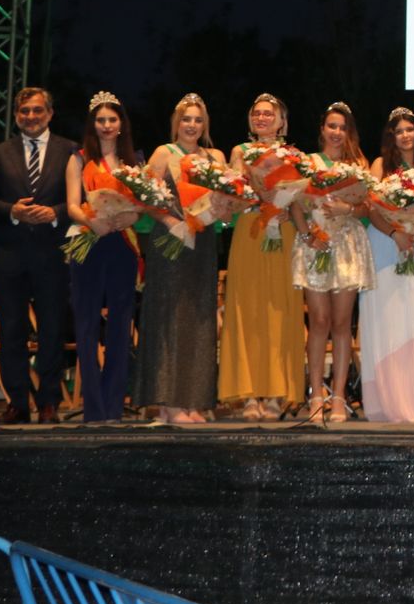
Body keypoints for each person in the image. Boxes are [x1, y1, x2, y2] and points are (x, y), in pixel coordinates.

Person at [0, 87, 77, 425]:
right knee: (11, 331)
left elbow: (83, 197)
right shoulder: (0, 151)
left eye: (37, 111)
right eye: (24, 112)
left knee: (52, 330)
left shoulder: (70, 150)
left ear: (50, 113)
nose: (30, 117)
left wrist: (56, 212)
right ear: (17, 115)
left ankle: (49, 402)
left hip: (52, 255)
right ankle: (17, 402)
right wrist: (13, 211)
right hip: (9, 256)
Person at [137, 94, 226, 425]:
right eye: (187, 119)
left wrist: (217, 210)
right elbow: (145, 197)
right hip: (170, 240)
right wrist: (172, 222)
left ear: (205, 124)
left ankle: (194, 400)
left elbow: (229, 195)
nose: (192, 125)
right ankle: (167, 403)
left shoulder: (214, 155)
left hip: (202, 242)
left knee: (200, 318)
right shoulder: (164, 153)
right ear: (177, 123)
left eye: (198, 120)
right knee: (170, 318)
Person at [220, 93, 305, 420]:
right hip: (249, 232)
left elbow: (300, 198)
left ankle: (276, 394)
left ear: (282, 120)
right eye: (257, 113)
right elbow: (230, 197)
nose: (262, 118)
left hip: (282, 233)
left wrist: (285, 209)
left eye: (269, 114)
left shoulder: (294, 155)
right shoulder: (240, 152)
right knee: (248, 310)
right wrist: (255, 200)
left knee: (279, 311)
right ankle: (250, 393)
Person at [290, 102, 375, 423]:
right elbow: (294, 202)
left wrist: (348, 210)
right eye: (331, 126)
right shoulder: (307, 163)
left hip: (347, 244)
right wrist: (306, 232)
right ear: (322, 129)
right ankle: (315, 394)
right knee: (319, 323)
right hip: (314, 242)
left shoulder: (359, 164)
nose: (337, 133)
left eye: (342, 127)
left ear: (348, 131)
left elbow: (368, 207)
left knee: (341, 324)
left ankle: (338, 396)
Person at [360, 106, 414, 423]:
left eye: (410, 130)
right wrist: (397, 232)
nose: (405, 136)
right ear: (391, 137)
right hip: (386, 246)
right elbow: (371, 207)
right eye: (399, 131)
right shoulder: (381, 165)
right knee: (390, 322)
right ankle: (391, 401)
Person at [62, 92, 141, 423]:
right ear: (92, 125)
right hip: (89, 243)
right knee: (86, 325)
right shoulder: (78, 159)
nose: (107, 125)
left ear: (122, 124)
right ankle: (93, 407)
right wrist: (91, 220)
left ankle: (114, 406)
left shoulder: (134, 163)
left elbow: (141, 205)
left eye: (112, 119)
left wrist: (130, 218)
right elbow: (72, 205)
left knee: (121, 326)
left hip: (121, 245)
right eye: (101, 120)